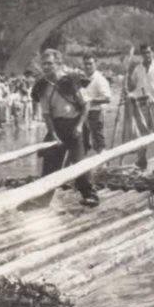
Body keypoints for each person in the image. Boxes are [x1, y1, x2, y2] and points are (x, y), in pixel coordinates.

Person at [36, 49, 100, 207]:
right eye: (44, 64)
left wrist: (79, 127)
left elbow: (86, 105)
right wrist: (53, 134)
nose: (46, 67)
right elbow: (46, 114)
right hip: (57, 126)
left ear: (58, 64)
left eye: (50, 63)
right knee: (50, 163)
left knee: (78, 163)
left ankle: (90, 195)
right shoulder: (42, 86)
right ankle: (44, 198)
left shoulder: (70, 81)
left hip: (74, 124)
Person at [127, 44, 154, 169]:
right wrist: (128, 74)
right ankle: (141, 160)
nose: (147, 55)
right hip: (141, 104)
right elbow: (131, 87)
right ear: (141, 54)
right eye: (144, 53)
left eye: (149, 52)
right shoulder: (137, 69)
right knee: (142, 133)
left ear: (152, 52)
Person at [80, 54, 111, 154]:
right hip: (82, 114)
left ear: (95, 64)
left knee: (98, 142)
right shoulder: (81, 78)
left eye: (90, 64)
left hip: (95, 113)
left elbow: (107, 98)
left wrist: (90, 101)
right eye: (85, 64)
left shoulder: (100, 79)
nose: (88, 66)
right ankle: (82, 167)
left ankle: (104, 165)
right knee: (82, 143)